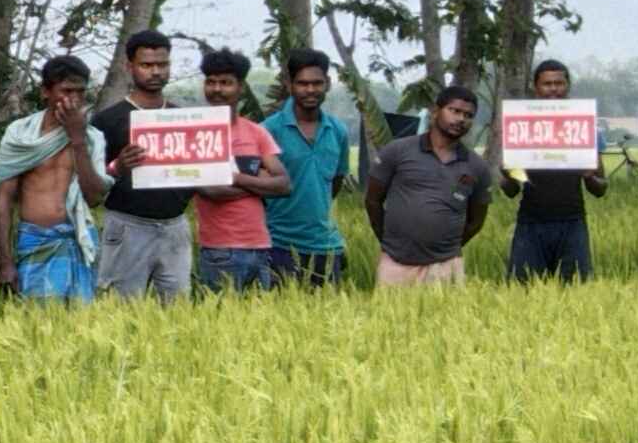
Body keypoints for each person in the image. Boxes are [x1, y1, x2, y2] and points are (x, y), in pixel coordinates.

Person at [86, 30, 198, 302]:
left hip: (175, 226)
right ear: (130, 67)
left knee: (178, 311)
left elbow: (197, 171)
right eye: (147, 65)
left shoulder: (183, 117)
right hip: (127, 225)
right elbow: (90, 189)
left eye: (162, 64)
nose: (156, 72)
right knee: (120, 309)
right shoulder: (107, 121)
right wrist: (118, 166)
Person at [0, 55, 111, 301]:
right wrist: (5, 260)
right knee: (36, 320)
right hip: (36, 241)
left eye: (80, 91)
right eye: (66, 91)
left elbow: (94, 198)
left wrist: (77, 139)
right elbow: (4, 200)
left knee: (83, 322)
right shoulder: (21, 135)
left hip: (78, 240)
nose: (74, 99)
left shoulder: (92, 138)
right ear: (45, 92)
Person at [365, 83, 495, 286]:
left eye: (468, 115)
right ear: (436, 111)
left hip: (446, 265)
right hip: (395, 262)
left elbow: (476, 221)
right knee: (388, 308)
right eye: (454, 111)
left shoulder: (477, 166)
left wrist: (447, 248)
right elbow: (373, 201)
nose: (461, 119)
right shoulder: (397, 151)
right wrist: (389, 242)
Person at [185, 48, 293, 292]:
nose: (217, 89)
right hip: (219, 250)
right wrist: (257, 179)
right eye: (211, 82)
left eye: (226, 82)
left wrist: (234, 177)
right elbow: (211, 190)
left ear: (241, 87)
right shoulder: (194, 134)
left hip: (261, 246)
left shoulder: (256, 133)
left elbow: (284, 185)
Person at [499, 56, 606, 280]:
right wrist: (508, 175)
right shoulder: (522, 126)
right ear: (535, 88)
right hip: (530, 223)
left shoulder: (583, 126)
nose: (554, 89)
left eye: (559, 83)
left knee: (576, 291)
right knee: (522, 289)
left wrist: (589, 177)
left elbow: (600, 189)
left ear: (568, 86)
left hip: (572, 223)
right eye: (547, 84)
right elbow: (511, 190)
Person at [262, 52, 358, 285]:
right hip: (278, 245)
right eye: (302, 83)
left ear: (328, 84)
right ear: (290, 85)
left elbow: (334, 183)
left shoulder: (337, 131)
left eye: (317, 83)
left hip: (326, 247)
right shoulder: (268, 130)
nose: (310, 90)